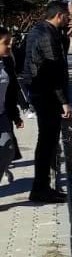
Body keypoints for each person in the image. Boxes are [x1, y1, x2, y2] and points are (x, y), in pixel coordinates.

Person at [24, 0, 72, 203]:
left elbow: (60, 57)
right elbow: (54, 71)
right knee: (46, 142)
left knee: (49, 142)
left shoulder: (46, 31)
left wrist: (65, 38)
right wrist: (64, 101)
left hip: (42, 93)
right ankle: (40, 189)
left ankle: (45, 187)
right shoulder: (45, 35)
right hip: (46, 95)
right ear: (59, 15)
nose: (69, 18)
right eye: (67, 15)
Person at [1, 28, 26, 186]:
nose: (10, 45)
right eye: (6, 43)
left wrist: (15, 116)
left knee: (8, 148)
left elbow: (11, 91)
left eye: (11, 42)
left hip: (2, 115)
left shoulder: (7, 62)